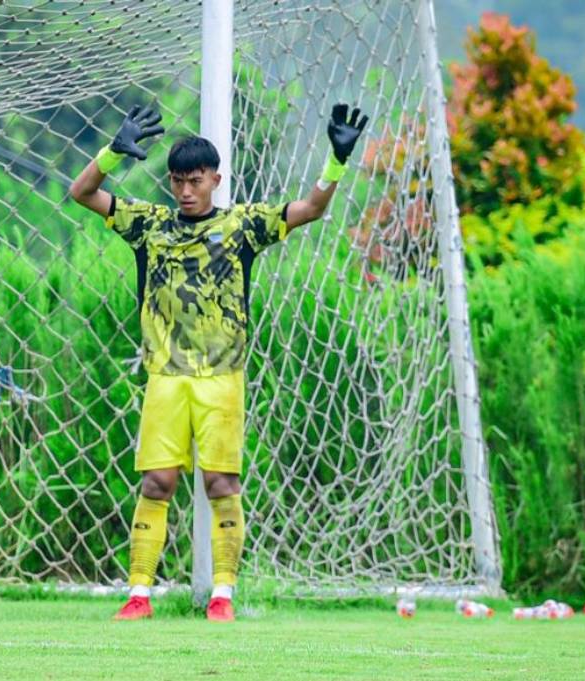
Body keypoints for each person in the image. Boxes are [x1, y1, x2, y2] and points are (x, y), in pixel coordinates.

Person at [68, 102, 368, 621]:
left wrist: (336, 162)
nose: (186, 191)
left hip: (221, 378)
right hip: (165, 377)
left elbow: (310, 210)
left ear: (215, 179)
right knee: (156, 483)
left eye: (196, 181)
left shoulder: (242, 226)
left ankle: (222, 596)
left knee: (221, 484)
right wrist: (112, 153)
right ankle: (139, 594)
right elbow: (82, 193)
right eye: (179, 181)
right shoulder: (149, 224)